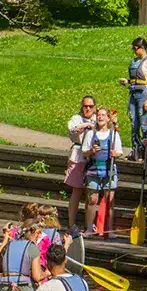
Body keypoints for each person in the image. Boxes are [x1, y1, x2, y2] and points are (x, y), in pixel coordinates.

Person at [81, 106, 123, 236]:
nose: (100, 117)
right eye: (98, 115)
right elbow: (84, 151)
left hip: (109, 169)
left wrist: (115, 153)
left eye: (103, 115)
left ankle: (109, 229)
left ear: (108, 118)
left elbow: (120, 151)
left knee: (109, 200)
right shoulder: (90, 134)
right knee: (92, 199)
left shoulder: (114, 134)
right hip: (93, 169)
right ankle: (89, 228)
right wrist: (91, 151)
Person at [117, 37, 147, 160]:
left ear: (142, 48)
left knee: (145, 124)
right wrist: (127, 81)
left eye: (135, 48)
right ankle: (136, 150)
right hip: (133, 93)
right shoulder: (134, 61)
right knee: (134, 123)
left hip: (143, 94)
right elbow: (135, 79)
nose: (134, 51)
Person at [0, 220, 45, 291]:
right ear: (36, 232)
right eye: (40, 233)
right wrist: (48, 273)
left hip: (4, 286)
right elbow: (37, 277)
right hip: (23, 289)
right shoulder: (33, 248)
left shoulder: (9, 244)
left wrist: (5, 238)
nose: (40, 236)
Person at [65, 96, 97, 228]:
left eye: (90, 106)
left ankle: (88, 224)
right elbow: (73, 130)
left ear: (94, 107)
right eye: (85, 106)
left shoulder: (97, 118)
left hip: (93, 157)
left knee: (91, 193)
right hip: (78, 156)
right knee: (76, 190)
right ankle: (71, 224)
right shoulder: (76, 119)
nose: (88, 108)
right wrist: (86, 125)